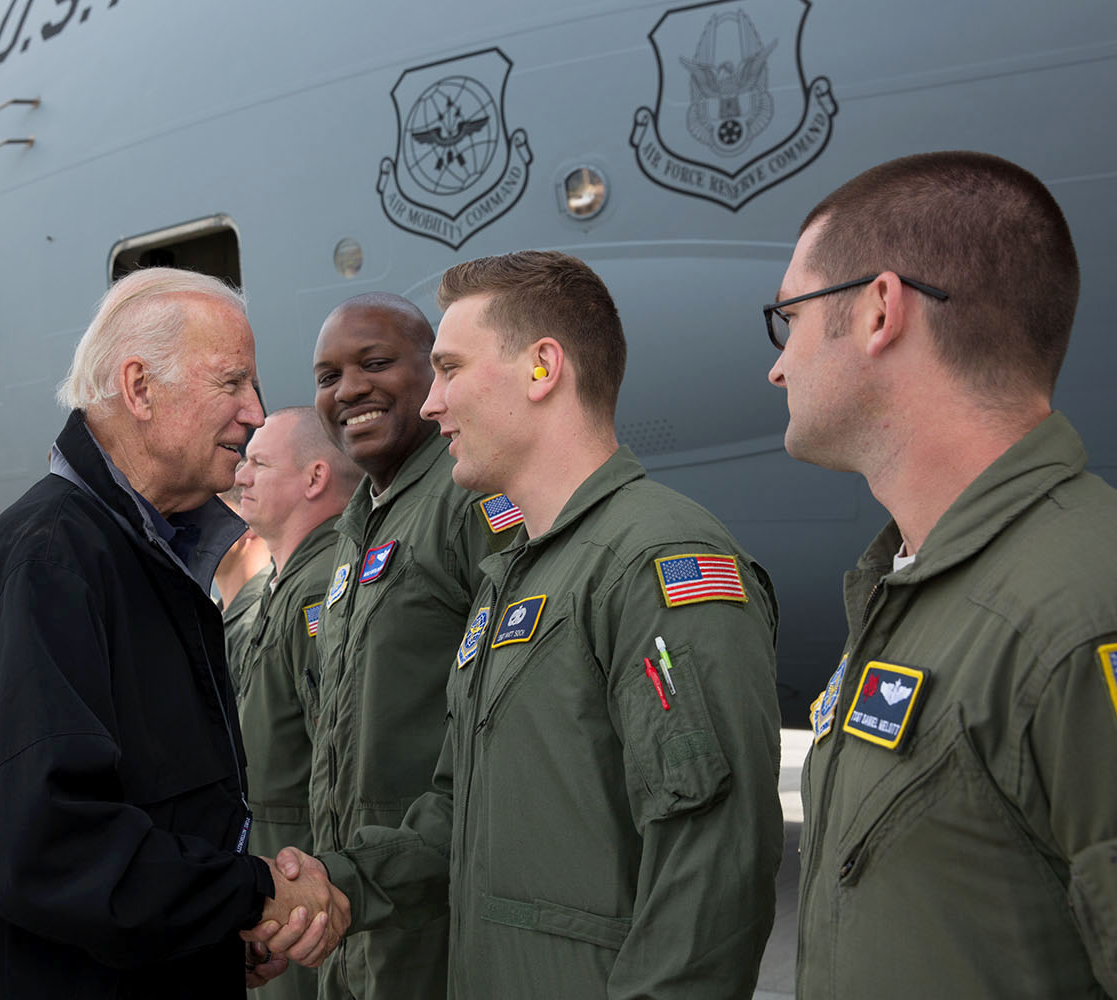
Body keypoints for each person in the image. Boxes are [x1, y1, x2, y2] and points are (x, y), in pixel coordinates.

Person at [258, 252, 784, 997]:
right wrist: (341, 883)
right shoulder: (516, 576)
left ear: (542, 369)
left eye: (450, 369)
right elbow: (454, 814)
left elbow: (711, 868)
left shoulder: (654, 562)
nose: (433, 404)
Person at [0, 268, 345, 998]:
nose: (255, 412)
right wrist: (251, 894)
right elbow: (50, 850)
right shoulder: (47, 563)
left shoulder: (136, 560)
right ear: (139, 388)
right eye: (232, 383)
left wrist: (206, 942)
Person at [764, 151, 1117, 998]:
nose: (778, 365)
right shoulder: (922, 585)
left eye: (788, 317)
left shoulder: (1084, 616)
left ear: (879, 311)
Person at [301, 292, 521, 999]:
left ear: (431, 374)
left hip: (437, 913)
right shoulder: (358, 523)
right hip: (359, 910)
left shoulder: (467, 500)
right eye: (328, 377)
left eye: (375, 363)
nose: (350, 390)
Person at [229, 406, 360, 1000]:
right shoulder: (282, 586)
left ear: (313, 479)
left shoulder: (321, 588)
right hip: (270, 868)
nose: (240, 476)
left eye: (259, 463)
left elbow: (335, 760)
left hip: (303, 874)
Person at [217, 485, 274, 679]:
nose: (196, 527)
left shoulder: (259, 620)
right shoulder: (218, 618)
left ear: (247, 521)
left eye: (211, 515)